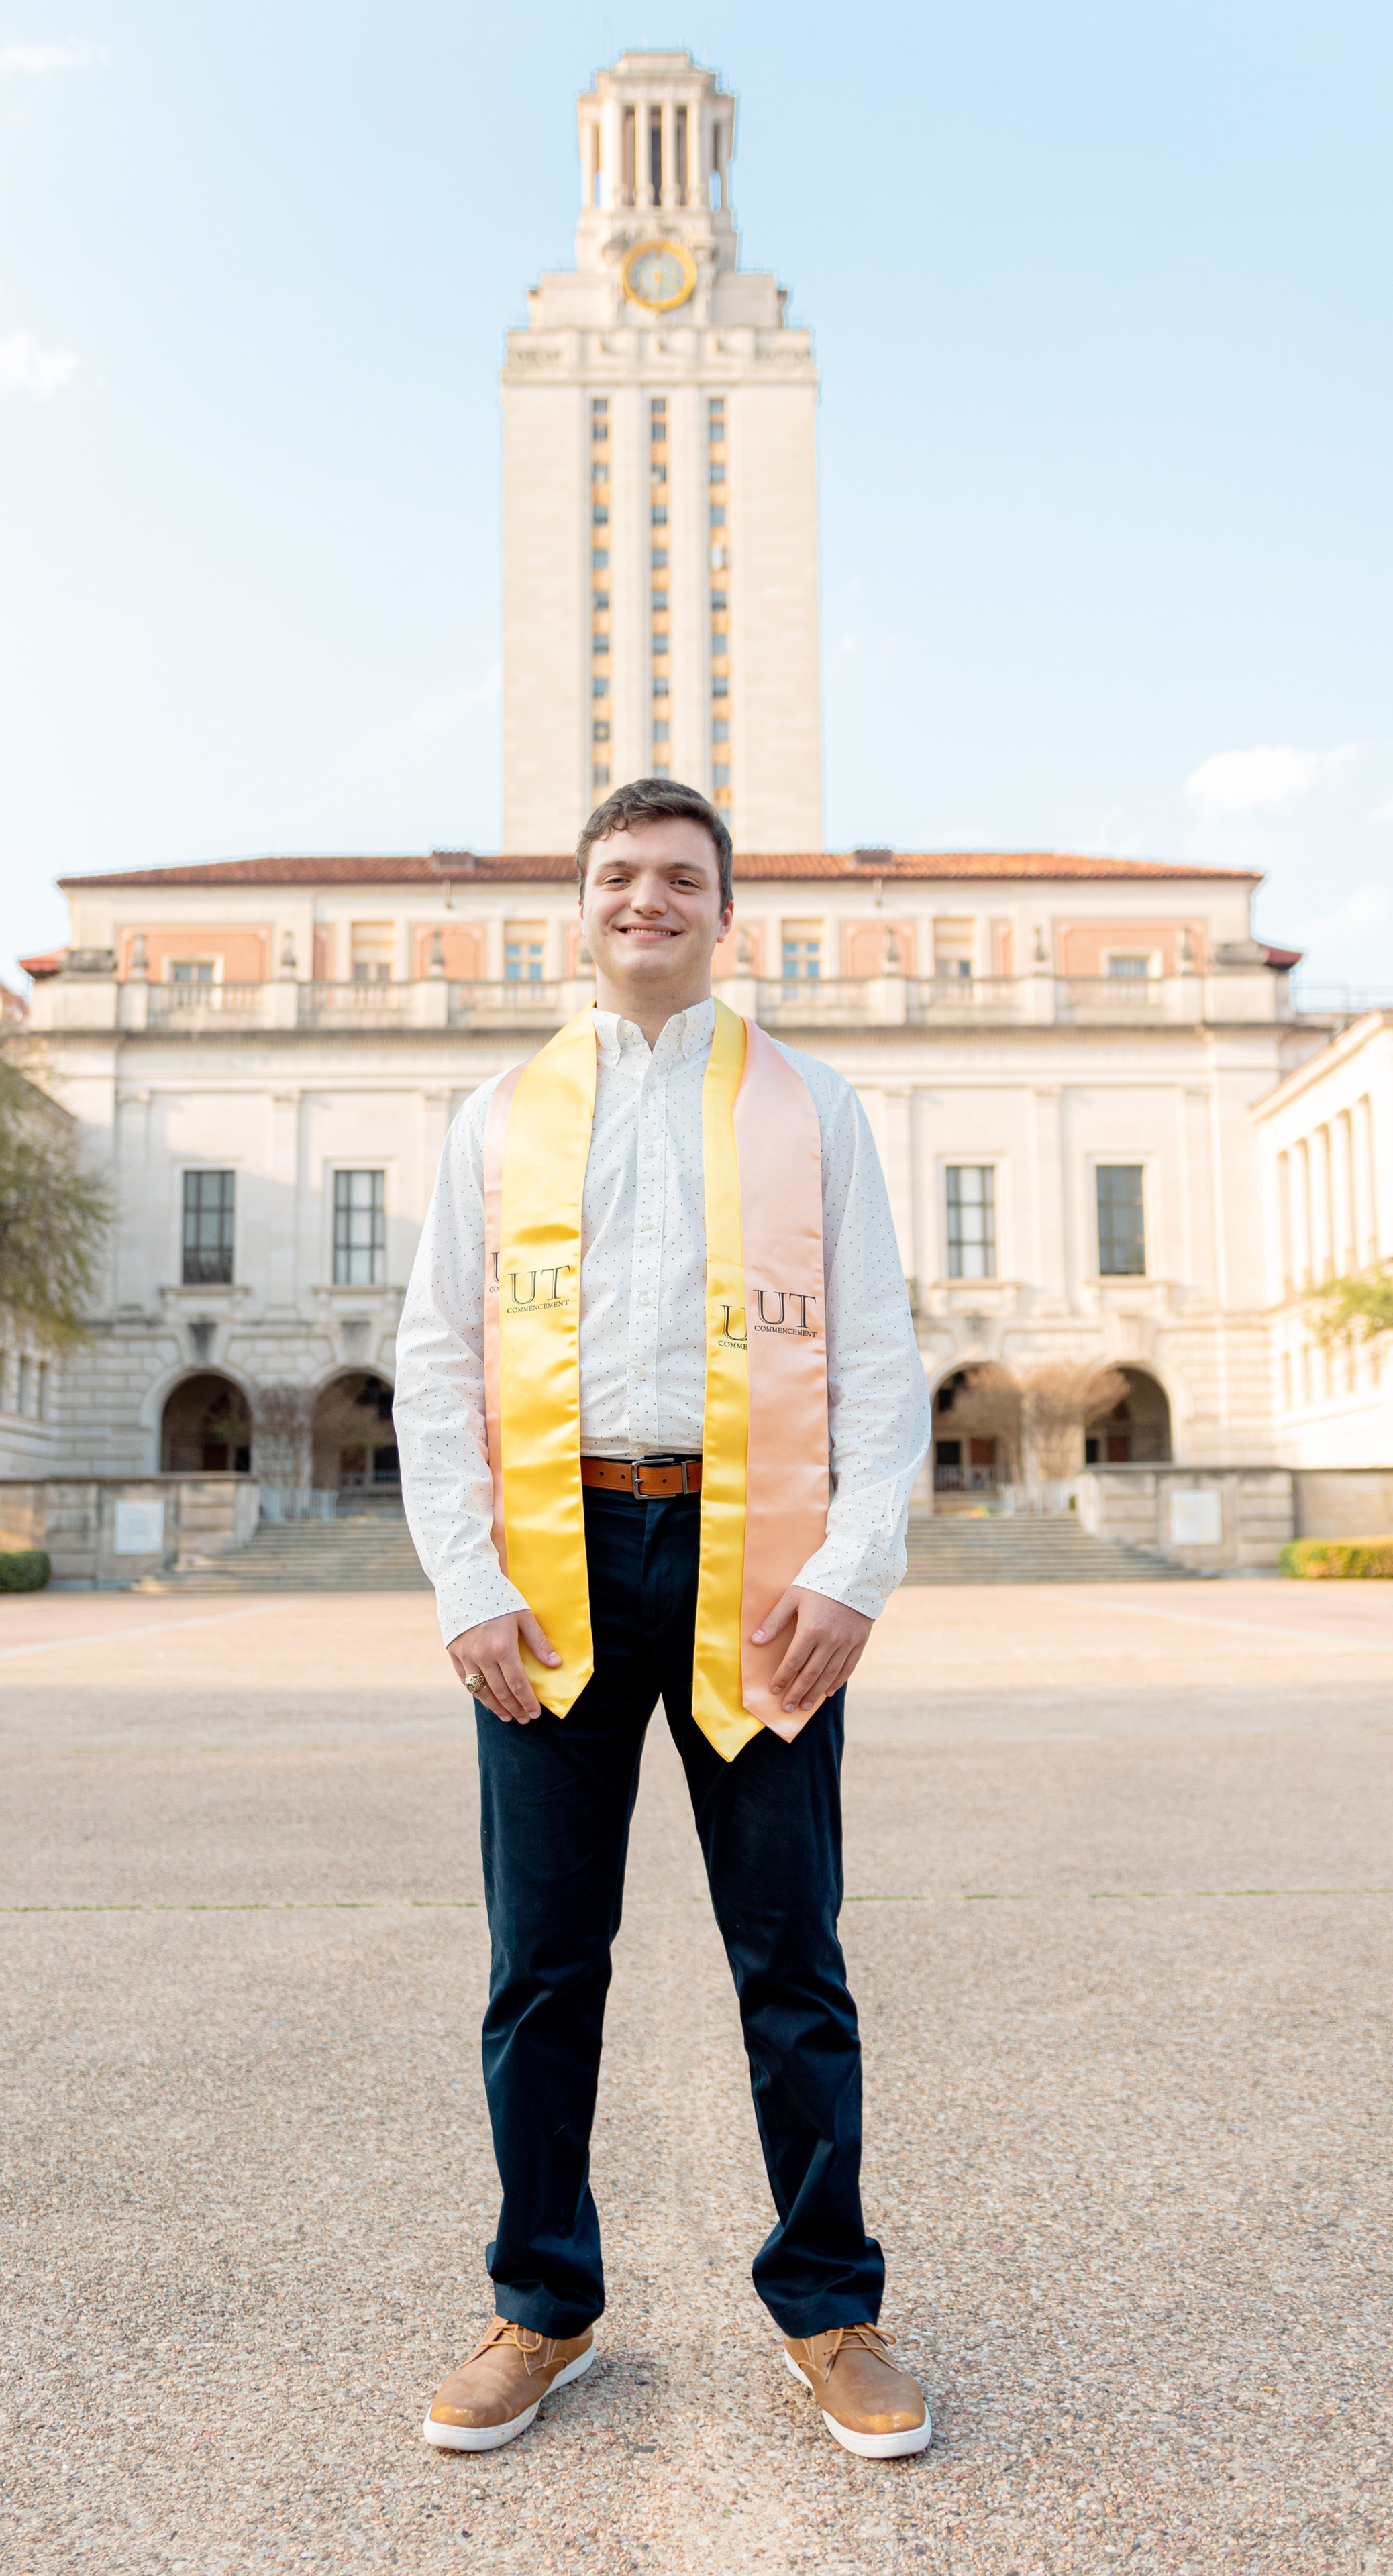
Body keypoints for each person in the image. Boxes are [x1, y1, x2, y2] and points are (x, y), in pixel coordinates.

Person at [391, 778, 932, 2461]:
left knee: (793, 1958)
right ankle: (538, 2306)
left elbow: (874, 1350)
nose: (646, 900)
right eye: (617, 876)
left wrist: (852, 1566)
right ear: (579, 908)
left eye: (677, 878)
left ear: (721, 913)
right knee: (540, 1966)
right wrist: (467, 1584)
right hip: (554, 1570)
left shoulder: (808, 1106)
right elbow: (434, 1360)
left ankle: (829, 2306)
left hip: (749, 1567)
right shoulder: (496, 1119)